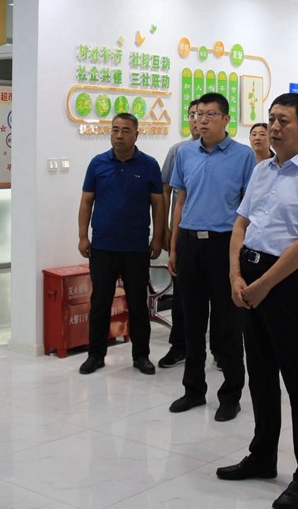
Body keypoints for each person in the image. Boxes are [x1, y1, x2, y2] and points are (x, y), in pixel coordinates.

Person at [217, 93, 298, 509]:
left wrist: (264, 284)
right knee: (261, 373)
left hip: (287, 282)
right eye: (271, 119)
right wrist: (235, 274)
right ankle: (263, 456)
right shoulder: (262, 169)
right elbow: (241, 224)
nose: (275, 127)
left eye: (284, 120)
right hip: (250, 275)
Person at [168, 92, 255, 422]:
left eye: (210, 114)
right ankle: (193, 390)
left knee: (227, 323)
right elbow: (180, 200)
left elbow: (249, 208)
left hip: (224, 244)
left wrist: (241, 253)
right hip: (190, 243)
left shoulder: (243, 156)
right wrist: (174, 246)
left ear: (226, 119)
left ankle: (230, 395)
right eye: (197, 114)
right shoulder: (184, 153)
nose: (201, 120)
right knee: (191, 321)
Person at [77, 113, 163, 375]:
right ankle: (95, 355)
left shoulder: (149, 165)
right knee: (100, 302)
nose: (119, 135)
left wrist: (158, 238)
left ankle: (141, 355)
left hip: (136, 247)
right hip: (103, 246)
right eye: (115, 129)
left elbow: (158, 204)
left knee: (137, 304)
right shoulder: (98, 163)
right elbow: (86, 201)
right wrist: (83, 236)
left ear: (136, 134)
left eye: (125, 130)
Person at [156, 100, 200, 369]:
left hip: (218, 237)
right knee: (183, 296)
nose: (197, 120)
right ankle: (179, 346)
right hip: (183, 235)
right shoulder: (179, 151)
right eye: (193, 115)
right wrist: (164, 230)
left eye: (204, 114)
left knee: (219, 299)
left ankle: (220, 350)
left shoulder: (235, 155)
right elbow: (165, 192)